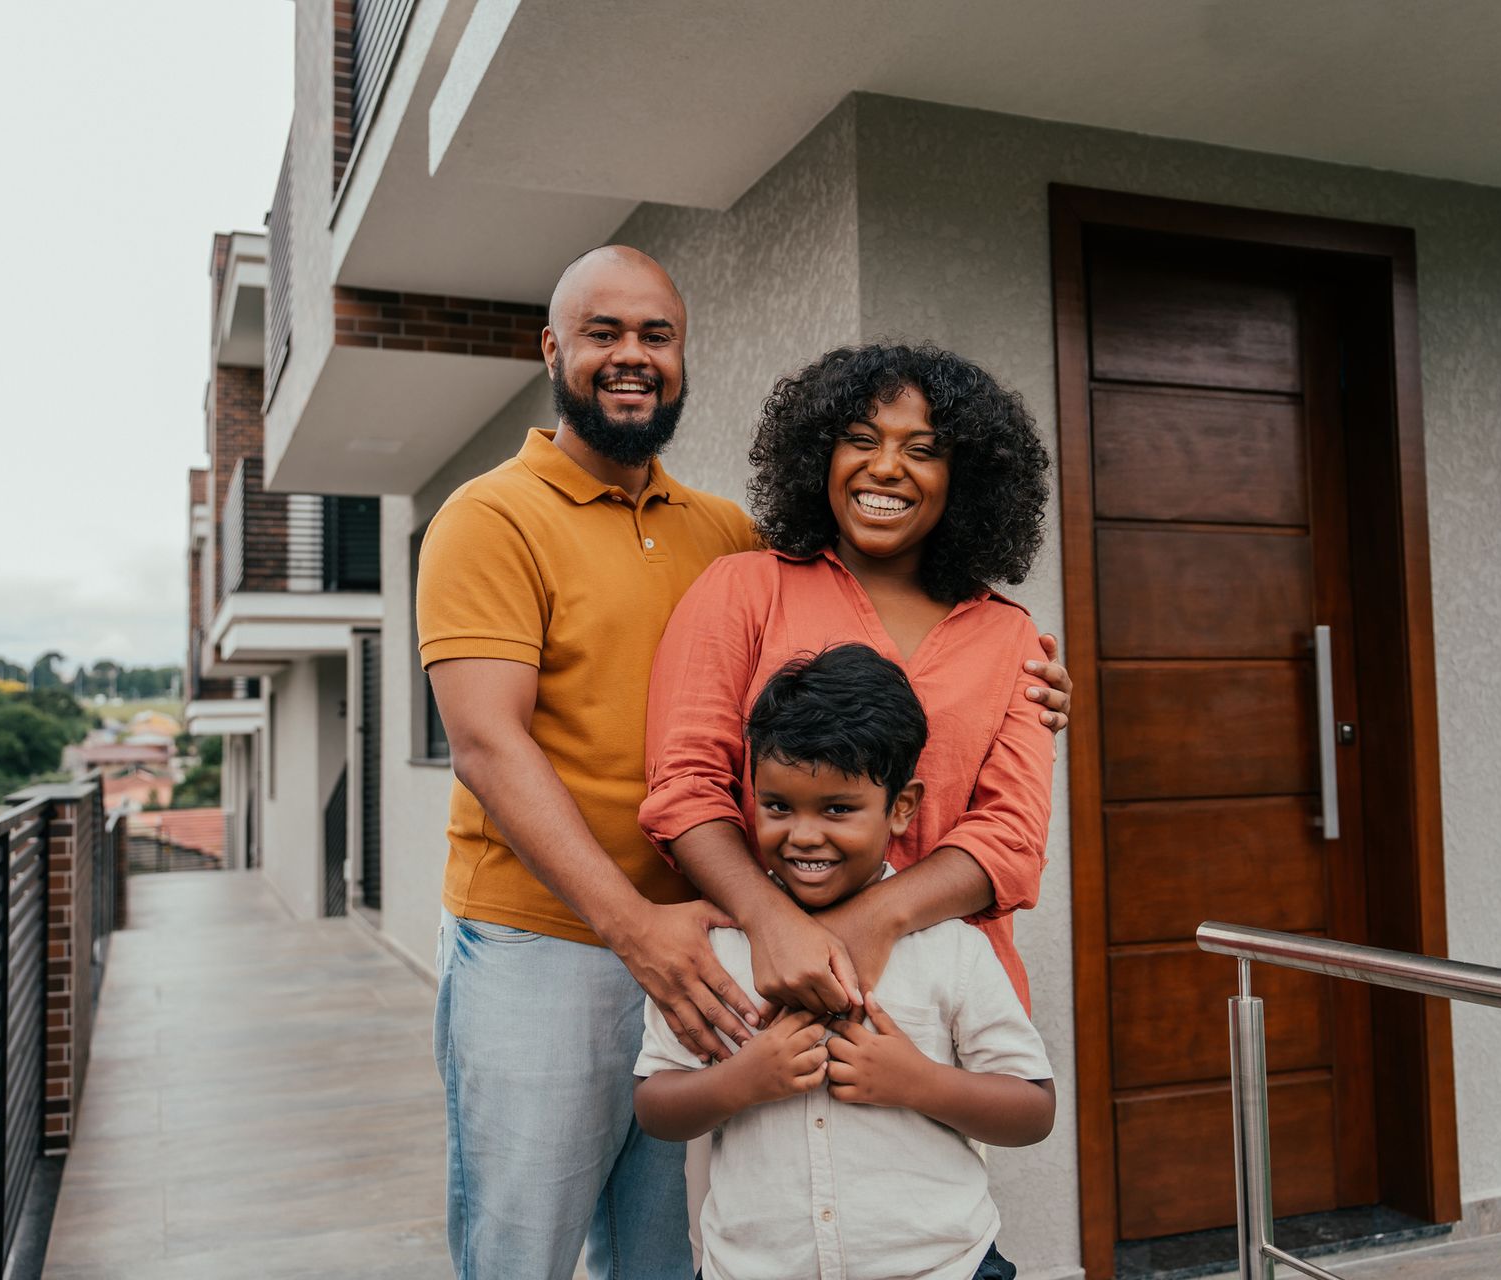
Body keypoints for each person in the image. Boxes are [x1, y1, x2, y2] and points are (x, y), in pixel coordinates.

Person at [417, 247, 1072, 1279]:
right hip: (604, 934)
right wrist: (728, 926)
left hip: (807, 963)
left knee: (698, 1242)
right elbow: (528, 751)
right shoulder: (504, 520)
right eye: (604, 332)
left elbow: (1008, 829)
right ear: (552, 348)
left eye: (656, 335)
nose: (886, 467)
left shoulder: (719, 531)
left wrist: (857, 925)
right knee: (530, 1237)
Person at [642, 343, 1055, 1018]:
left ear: (966, 479)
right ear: (819, 458)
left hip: (950, 1004)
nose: (885, 467)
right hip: (767, 986)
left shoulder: (1011, 637)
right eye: (860, 441)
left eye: (922, 450)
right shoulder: (744, 590)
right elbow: (686, 788)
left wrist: (874, 919)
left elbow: (1011, 837)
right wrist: (773, 924)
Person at [635, 644, 1055, 1280]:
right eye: (777, 806)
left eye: (838, 809)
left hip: (943, 1267)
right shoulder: (718, 949)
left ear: (902, 807)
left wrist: (917, 1082)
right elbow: (654, 1106)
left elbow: (1033, 1109)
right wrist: (742, 1081)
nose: (804, 835)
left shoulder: (952, 947)